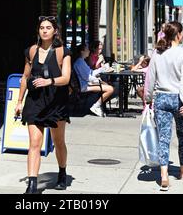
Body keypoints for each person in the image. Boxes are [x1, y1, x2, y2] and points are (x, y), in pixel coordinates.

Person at [15, 16, 71, 194]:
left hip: (56, 102)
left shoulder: (63, 52)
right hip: (35, 101)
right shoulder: (31, 51)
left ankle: (62, 173)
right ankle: (32, 185)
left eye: (48, 27)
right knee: (34, 143)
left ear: (55, 31)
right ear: (38, 31)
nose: (44, 30)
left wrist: (49, 82)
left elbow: (66, 78)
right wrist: (19, 101)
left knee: (58, 141)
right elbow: (24, 77)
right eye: (41, 28)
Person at [144, 21, 183, 192]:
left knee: (163, 138)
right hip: (179, 99)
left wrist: (148, 98)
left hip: (162, 98)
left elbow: (150, 78)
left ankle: (164, 175)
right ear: (178, 34)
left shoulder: (157, 53)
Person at [73, 43, 114, 117]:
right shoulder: (80, 62)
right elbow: (87, 77)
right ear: (82, 51)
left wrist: (103, 69)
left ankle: (99, 105)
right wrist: (98, 80)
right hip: (84, 86)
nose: (89, 51)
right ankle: (95, 106)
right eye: (87, 49)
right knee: (110, 89)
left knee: (107, 85)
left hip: (86, 84)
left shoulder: (81, 61)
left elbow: (91, 72)